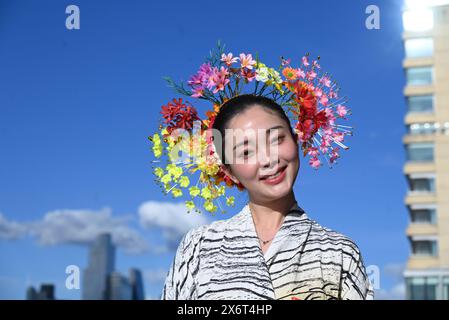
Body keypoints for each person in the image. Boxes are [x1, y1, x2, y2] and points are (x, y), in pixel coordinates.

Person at [160, 94, 374, 300]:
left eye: (276, 139)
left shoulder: (340, 252)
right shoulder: (199, 246)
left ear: (296, 139)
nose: (268, 159)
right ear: (229, 172)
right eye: (246, 152)